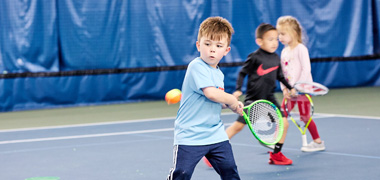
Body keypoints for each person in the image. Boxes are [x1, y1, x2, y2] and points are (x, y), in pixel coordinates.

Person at [167, 16, 244, 180]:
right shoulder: (196, 66)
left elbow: (215, 100)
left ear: (226, 50)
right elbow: (211, 93)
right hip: (190, 135)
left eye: (218, 46)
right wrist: (231, 99)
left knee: (230, 171)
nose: (212, 49)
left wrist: (231, 106)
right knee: (182, 174)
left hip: (216, 135)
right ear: (198, 45)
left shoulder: (218, 74)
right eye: (207, 44)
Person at [224, 23, 296, 165]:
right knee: (237, 127)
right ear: (259, 41)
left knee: (284, 123)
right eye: (270, 39)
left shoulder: (276, 57)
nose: (274, 42)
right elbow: (242, 73)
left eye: (276, 39)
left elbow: (280, 76)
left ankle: (276, 155)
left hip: (270, 98)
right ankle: (211, 152)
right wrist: (238, 89)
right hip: (253, 100)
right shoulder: (254, 57)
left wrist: (290, 88)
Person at [276, 16, 326, 152]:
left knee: (305, 117)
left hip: (302, 91)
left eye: (283, 33)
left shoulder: (301, 49)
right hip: (290, 92)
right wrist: (285, 88)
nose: (279, 37)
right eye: (279, 34)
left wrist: (297, 88)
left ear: (294, 33)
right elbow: (282, 73)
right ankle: (276, 145)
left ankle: (318, 142)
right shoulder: (284, 52)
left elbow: (306, 69)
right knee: (282, 116)